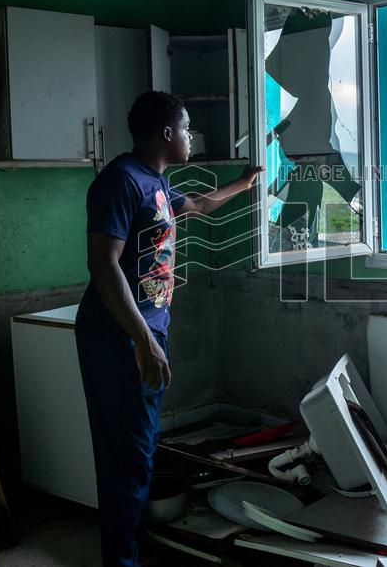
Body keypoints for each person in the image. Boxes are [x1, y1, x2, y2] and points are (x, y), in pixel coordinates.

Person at [74, 91, 263, 566]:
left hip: (144, 333)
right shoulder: (120, 182)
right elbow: (103, 264)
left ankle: (132, 551)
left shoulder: (154, 181)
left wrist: (243, 185)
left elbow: (197, 205)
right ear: (165, 133)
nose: (190, 136)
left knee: (137, 451)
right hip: (119, 336)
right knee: (127, 455)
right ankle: (123, 561)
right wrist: (142, 341)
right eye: (186, 128)